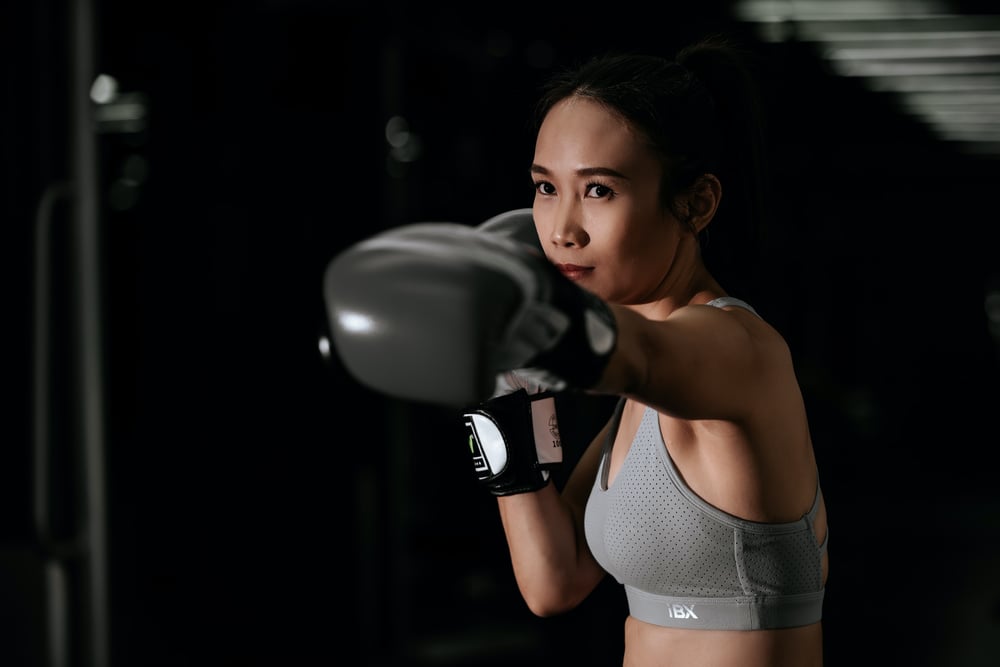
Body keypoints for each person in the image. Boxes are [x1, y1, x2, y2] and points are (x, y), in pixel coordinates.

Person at [323, 33, 828, 667]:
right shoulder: (638, 404)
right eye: (545, 188)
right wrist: (501, 397)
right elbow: (553, 581)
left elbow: (638, 354)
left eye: (598, 190)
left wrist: (517, 321)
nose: (562, 230)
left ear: (696, 203)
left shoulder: (737, 350)